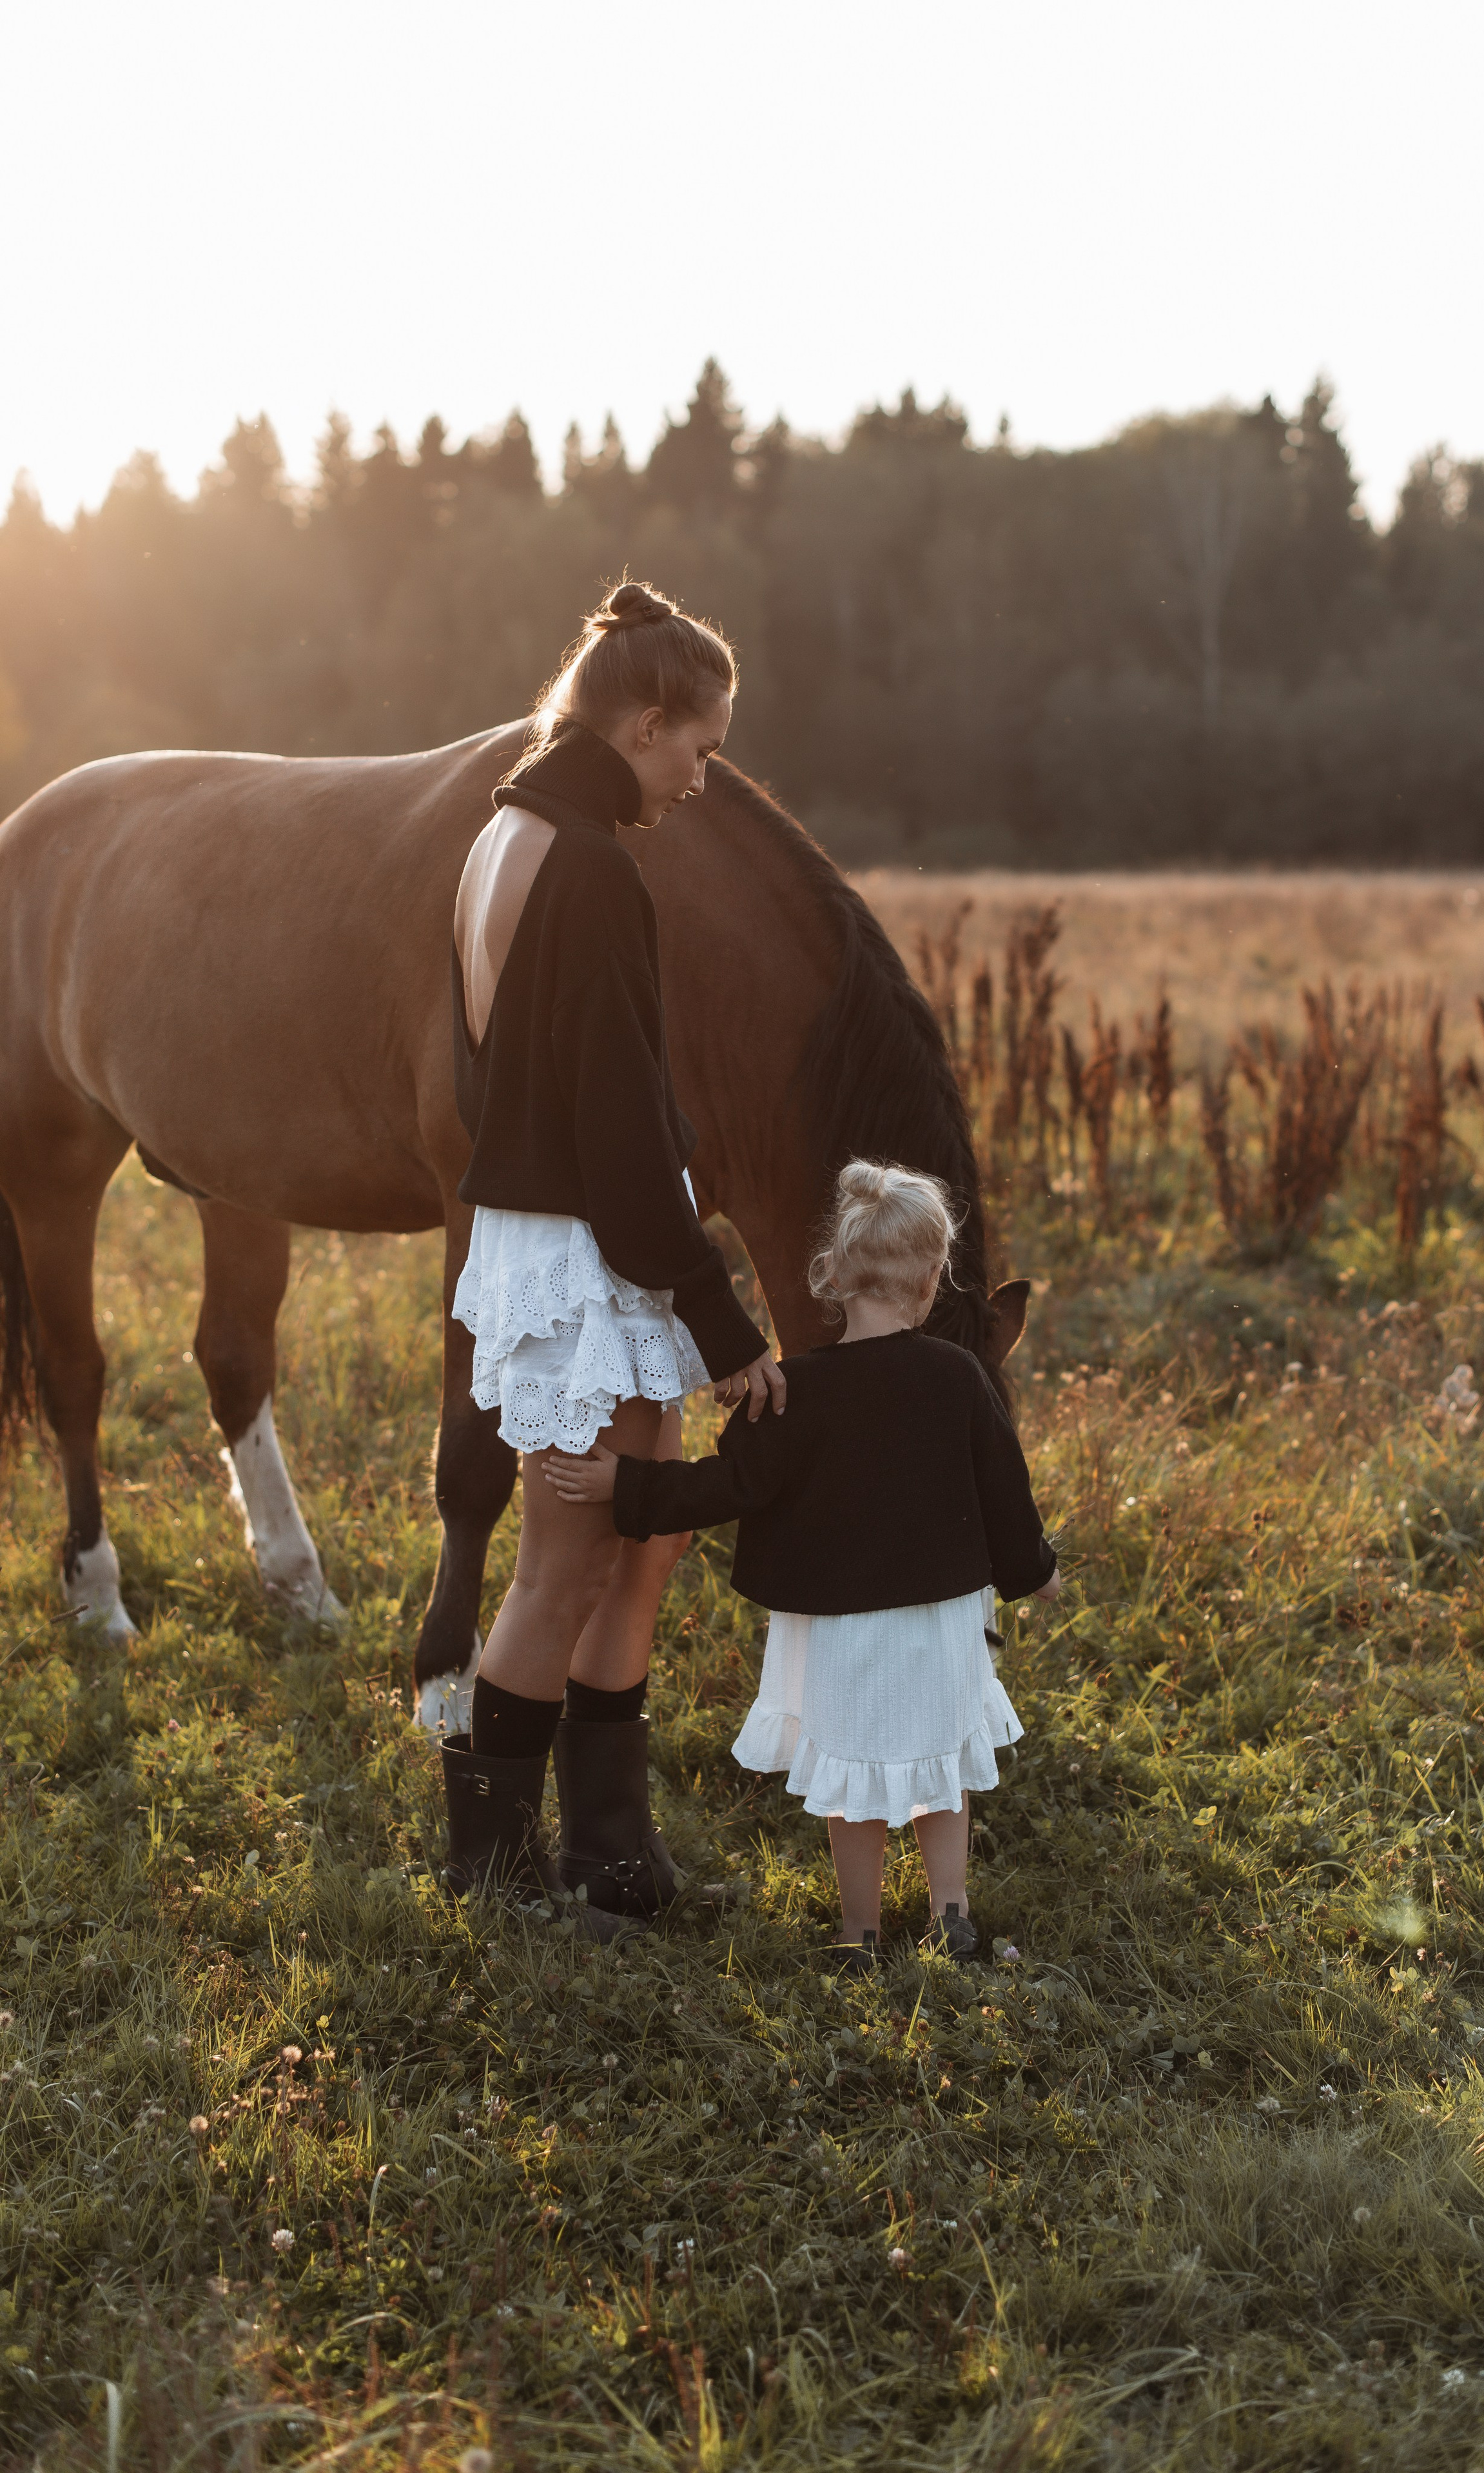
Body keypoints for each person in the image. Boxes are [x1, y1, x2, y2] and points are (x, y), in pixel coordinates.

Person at [444, 580, 785, 1932]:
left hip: (562, 1239)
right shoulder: (587, 866)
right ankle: (488, 1873)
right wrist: (724, 1320)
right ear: (644, 722)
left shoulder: (507, 835)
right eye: (699, 750)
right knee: (563, 1566)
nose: (702, 779)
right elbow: (612, 1121)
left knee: (632, 1554)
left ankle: (611, 1857)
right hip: (591, 1253)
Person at [545, 1159, 1059, 1969]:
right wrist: (1034, 1571)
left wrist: (626, 1486)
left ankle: (860, 1934)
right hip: (941, 1616)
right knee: (943, 1758)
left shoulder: (793, 1391)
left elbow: (728, 1486)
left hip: (838, 1624)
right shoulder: (958, 1376)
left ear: (833, 1278)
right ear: (930, 1282)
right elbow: (1006, 1487)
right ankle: (949, 1913)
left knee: (851, 1781)